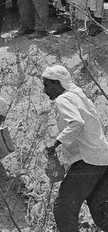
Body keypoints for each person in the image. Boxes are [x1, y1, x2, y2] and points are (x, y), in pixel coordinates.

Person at [42, 65, 108, 232]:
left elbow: (76, 123)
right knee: (100, 211)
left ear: (58, 84)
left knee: (63, 208)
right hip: (102, 159)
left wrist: (56, 143)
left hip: (88, 161)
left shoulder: (63, 99)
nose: (44, 90)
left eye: (47, 85)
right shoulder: (79, 97)